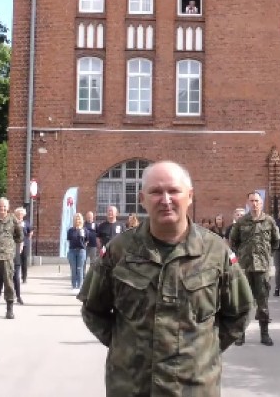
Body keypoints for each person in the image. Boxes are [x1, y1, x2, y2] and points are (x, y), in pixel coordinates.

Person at [78, 161, 252, 397]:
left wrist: (203, 351)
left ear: (189, 196)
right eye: (156, 192)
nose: (165, 199)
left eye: (173, 191)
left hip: (195, 387)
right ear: (142, 199)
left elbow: (240, 311)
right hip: (132, 386)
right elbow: (92, 309)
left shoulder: (215, 251)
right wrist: (126, 346)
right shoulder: (120, 250)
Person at [229, 191, 280, 346]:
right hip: (245, 268)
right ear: (248, 203)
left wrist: (265, 255)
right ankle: (240, 335)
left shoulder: (269, 221)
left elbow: (275, 242)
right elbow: (233, 241)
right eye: (251, 201)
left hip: (262, 268)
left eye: (257, 201)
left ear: (261, 202)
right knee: (243, 302)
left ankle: (264, 334)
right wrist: (242, 256)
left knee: (263, 303)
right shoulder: (242, 222)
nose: (254, 203)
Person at [66, 213, 89, 293]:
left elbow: (86, 241)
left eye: (79, 219)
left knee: (80, 269)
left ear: (81, 220)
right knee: (73, 269)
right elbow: (69, 240)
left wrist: (82, 247)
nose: (77, 220)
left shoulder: (84, 230)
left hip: (81, 251)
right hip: (72, 251)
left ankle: (79, 286)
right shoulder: (70, 230)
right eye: (76, 219)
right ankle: (74, 286)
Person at [16, 209, 32, 283]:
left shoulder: (26, 223)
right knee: (16, 261)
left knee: (24, 260)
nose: (20, 215)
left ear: (23, 215)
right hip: (16, 244)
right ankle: (16, 276)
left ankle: (24, 277)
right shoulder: (14, 222)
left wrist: (27, 239)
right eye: (18, 214)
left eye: (21, 214)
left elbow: (30, 231)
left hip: (24, 244)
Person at [84, 210, 99, 275]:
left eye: (91, 216)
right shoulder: (83, 224)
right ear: (86, 217)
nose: (89, 217)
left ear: (93, 217)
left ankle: (91, 274)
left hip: (93, 245)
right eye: (88, 216)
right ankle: (83, 274)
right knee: (83, 260)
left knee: (93, 261)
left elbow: (98, 234)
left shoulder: (95, 224)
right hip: (85, 245)